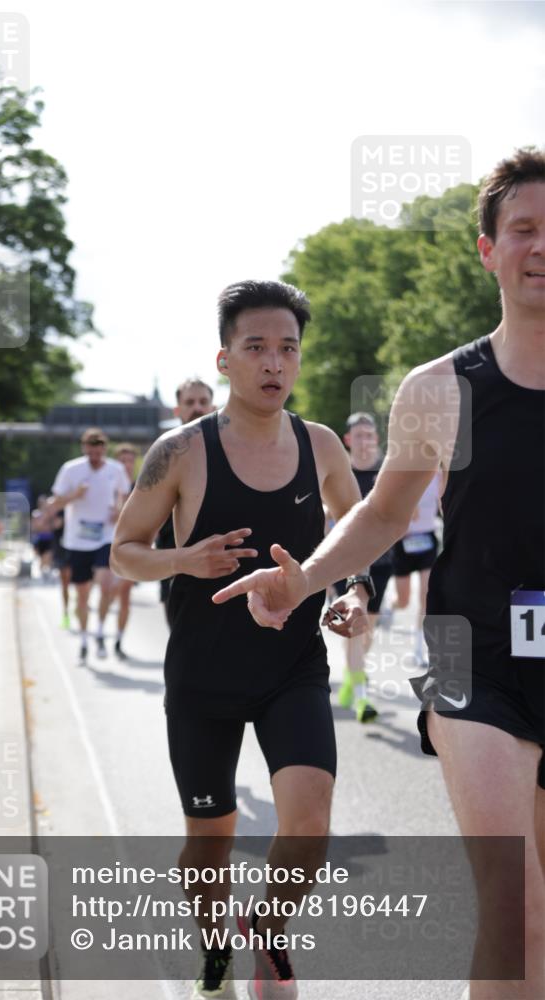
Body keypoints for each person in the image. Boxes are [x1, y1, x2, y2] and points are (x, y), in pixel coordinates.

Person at [213, 149, 545, 1000]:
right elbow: (385, 513)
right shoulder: (442, 389)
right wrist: (307, 578)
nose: (540, 246)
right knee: (514, 910)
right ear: (487, 250)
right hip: (474, 659)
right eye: (523, 230)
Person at [112, 280, 371, 1000]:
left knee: (309, 825)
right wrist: (183, 560)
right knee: (209, 841)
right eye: (255, 347)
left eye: (286, 348)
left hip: (291, 666)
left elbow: (357, 536)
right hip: (202, 676)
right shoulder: (180, 452)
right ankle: (214, 943)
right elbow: (123, 553)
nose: (273, 363)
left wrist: (352, 593)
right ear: (224, 359)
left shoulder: (319, 445)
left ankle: (267, 926)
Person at [329, 412, 394, 722]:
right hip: (347, 561)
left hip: (382, 560)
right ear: (348, 440)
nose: (366, 441)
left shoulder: (386, 471)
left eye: (370, 435)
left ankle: (352, 677)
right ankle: (360, 697)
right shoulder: (340, 471)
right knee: (355, 628)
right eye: (360, 436)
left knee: (367, 632)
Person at [50, 428, 131, 663]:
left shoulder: (115, 470)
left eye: (99, 452)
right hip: (77, 539)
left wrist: (119, 510)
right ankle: (84, 639)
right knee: (82, 595)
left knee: (106, 586)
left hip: (105, 535)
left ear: (104, 449)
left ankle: (100, 633)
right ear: (84, 448)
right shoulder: (71, 469)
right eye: (91, 452)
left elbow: (125, 495)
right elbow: (55, 503)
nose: (95, 457)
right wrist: (74, 495)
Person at [155, 378, 216, 626]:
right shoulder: (162, 455)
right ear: (177, 410)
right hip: (175, 565)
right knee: (182, 648)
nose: (197, 408)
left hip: (222, 566)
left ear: (213, 407)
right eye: (190, 402)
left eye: (203, 401)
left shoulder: (236, 451)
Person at [390, 470, 442, 663]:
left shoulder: (438, 475)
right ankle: (391, 607)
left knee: (426, 596)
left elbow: (444, 503)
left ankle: (420, 648)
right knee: (403, 600)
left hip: (427, 539)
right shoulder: (401, 473)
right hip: (403, 541)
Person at [111, 443, 140, 659]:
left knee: (124, 595)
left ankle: (118, 640)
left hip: (130, 550)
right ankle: (100, 631)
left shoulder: (142, 488)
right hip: (103, 548)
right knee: (106, 593)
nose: (127, 465)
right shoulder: (107, 486)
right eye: (123, 460)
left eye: (130, 461)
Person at [50, 508, 72, 629]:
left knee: (83, 584)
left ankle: (81, 605)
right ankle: (66, 613)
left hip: (79, 550)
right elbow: (54, 525)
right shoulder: (59, 508)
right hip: (62, 551)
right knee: (65, 584)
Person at [31, 494, 55, 580]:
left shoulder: (51, 514)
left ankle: (47, 572)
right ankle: (42, 573)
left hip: (49, 538)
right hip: (40, 538)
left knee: (48, 556)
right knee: (41, 558)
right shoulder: (36, 514)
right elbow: (36, 527)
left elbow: (53, 526)